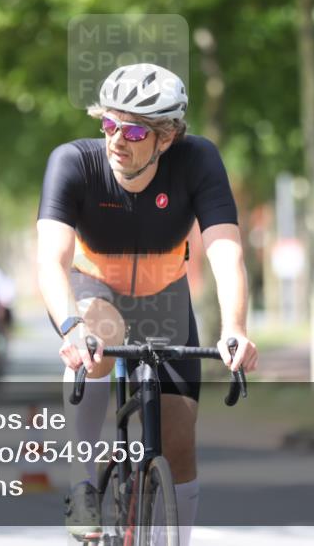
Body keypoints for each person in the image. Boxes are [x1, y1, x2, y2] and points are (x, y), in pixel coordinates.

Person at [36, 62, 259, 544]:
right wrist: (73, 328)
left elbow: (225, 249)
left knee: (179, 439)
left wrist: (235, 327)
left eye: (134, 130)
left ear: (167, 137)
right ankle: (81, 484)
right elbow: (50, 260)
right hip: (97, 287)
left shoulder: (198, 160)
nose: (118, 139)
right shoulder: (74, 163)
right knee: (100, 332)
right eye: (110, 124)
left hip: (166, 296)